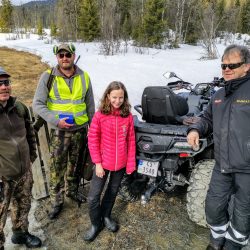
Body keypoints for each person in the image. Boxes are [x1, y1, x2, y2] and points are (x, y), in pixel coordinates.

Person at [187, 45, 250, 250]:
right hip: (222, 165)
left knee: (242, 214)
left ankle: (233, 245)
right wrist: (195, 130)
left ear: (247, 66)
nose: (226, 69)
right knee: (213, 208)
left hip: (247, 169)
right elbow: (206, 118)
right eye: (223, 65)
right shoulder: (219, 95)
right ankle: (217, 240)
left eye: (232, 65)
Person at [32, 43, 95, 220]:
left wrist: (92, 128)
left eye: (68, 54)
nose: (65, 58)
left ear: (74, 55)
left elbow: (90, 106)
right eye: (61, 55)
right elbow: (38, 104)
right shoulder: (48, 76)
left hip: (80, 131)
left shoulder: (84, 77)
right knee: (56, 168)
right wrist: (55, 121)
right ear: (57, 58)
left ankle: (72, 192)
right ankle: (57, 202)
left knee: (75, 165)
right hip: (59, 132)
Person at [83, 81, 136, 241]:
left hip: (120, 164)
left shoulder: (127, 116)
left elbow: (131, 141)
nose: (117, 101)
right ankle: (95, 224)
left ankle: (106, 216)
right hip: (102, 164)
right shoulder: (100, 115)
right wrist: (98, 163)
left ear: (124, 98)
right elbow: (92, 139)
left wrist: (130, 163)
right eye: (114, 97)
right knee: (93, 196)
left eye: (121, 97)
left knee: (112, 192)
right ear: (108, 96)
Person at [0, 67, 42, 249]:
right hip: (3, 177)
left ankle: (20, 234)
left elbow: (30, 134)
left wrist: (30, 158)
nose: (4, 87)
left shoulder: (19, 108)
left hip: (24, 171)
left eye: (6, 83)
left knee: (23, 206)